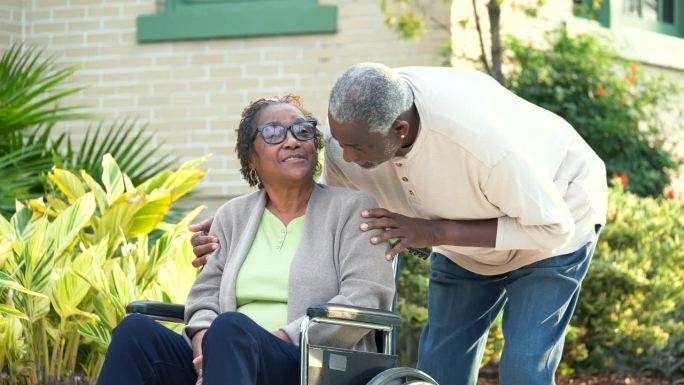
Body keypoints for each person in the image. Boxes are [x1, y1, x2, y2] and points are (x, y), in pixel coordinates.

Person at [191, 63, 608, 385]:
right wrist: (244, 219)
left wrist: (432, 233)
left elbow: (555, 226)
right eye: (337, 142)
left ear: (400, 130)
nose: (345, 157)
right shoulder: (353, 132)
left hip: (554, 231)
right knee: (441, 367)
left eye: (357, 147)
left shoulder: (483, 147)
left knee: (523, 366)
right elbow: (323, 207)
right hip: (463, 247)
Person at [99, 95, 395, 385]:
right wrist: (204, 354)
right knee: (135, 333)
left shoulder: (352, 209)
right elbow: (205, 299)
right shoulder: (233, 216)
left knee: (231, 328)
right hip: (224, 357)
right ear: (251, 158)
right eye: (274, 133)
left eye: (302, 130)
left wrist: (272, 340)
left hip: (308, 362)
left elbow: (365, 297)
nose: (292, 141)